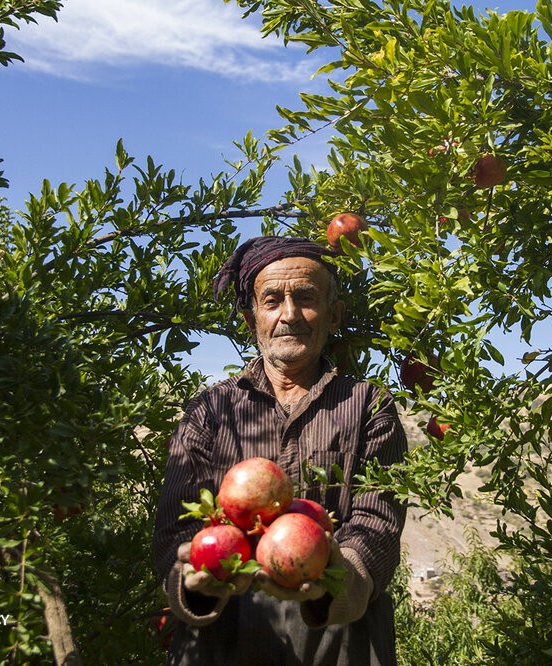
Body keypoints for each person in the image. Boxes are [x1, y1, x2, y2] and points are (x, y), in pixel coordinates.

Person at [151, 236, 407, 665]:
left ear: (333, 315)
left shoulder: (369, 407)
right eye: (272, 300)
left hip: (341, 640)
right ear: (253, 320)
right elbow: (173, 527)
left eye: (306, 297)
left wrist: (339, 581)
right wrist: (192, 580)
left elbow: (377, 524)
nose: (289, 315)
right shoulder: (210, 410)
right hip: (221, 643)